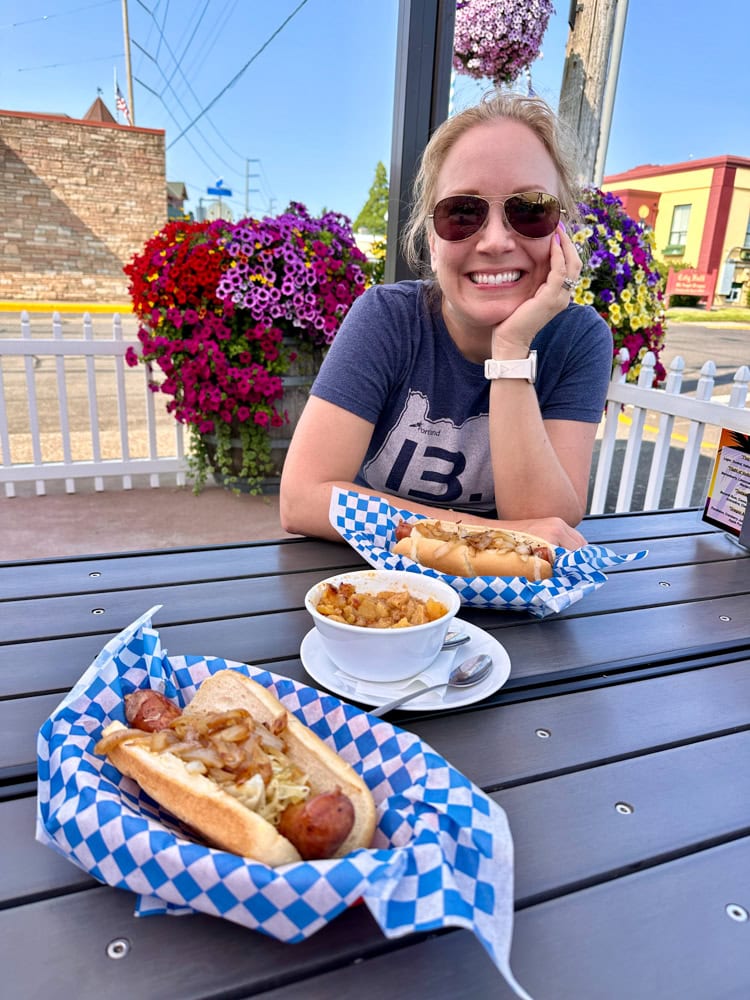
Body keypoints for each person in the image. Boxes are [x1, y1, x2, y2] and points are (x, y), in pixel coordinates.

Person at [280, 92, 613, 549]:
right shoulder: (388, 319)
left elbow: (548, 523)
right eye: (462, 213)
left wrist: (511, 349)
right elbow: (301, 498)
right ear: (432, 243)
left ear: (562, 233)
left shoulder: (579, 339)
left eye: (530, 210)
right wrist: (489, 534)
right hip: (373, 586)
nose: (495, 240)